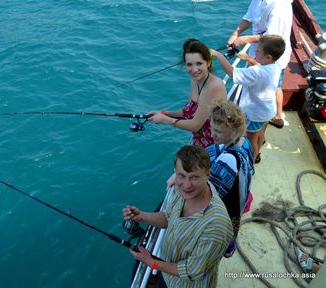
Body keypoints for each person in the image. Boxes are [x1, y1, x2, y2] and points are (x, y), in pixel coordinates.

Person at [123, 145, 233, 288]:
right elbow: (168, 217)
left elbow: (192, 271)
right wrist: (142, 216)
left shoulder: (217, 226)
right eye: (181, 175)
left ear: (208, 174)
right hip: (168, 274)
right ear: (175, 173)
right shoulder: (179, 190)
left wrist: (152, 263)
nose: (186, 185)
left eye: (194, 177)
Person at [211, 34, 286, 164]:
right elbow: (261, 66)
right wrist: (249, 59)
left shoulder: (258, 73)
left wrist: (218, 55)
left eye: (258, 50)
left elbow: (231, 72)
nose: (255, 51)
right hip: (267, 110)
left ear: (268, 57)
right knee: (260, 134)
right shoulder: (275, 66)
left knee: (251, 140)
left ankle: (252, 160)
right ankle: (259, 147)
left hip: (255, 114)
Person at [147, 38, 227, 148]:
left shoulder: (215, 86)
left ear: (208, 62)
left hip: (216, 144)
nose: (194, 70)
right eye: (189, 65)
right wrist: (164, 113)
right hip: (200, 139)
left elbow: (195, 125)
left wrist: (165, 120)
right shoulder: (194, 81)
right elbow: (188, 112)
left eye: (199, 63)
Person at [227, 0, 293, 130]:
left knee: (276, 86)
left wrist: (246, 39)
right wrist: (235, 34)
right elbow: (249, 17)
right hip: (260, 52)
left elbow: (274, 37)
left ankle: (278, 115)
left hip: (273, 55)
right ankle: (271, 116)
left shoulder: (280, 5)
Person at [206, 101, 254, 257]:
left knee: (223, 231)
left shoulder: (228, 160)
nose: (212, 135)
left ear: (234, 131)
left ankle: (223, 249)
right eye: (211, 128)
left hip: (226, 209)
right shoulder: (244, 142)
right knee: (233, 226)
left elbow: (212, 193)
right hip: (239, 203)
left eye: (217, 131)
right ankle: (229, 247)